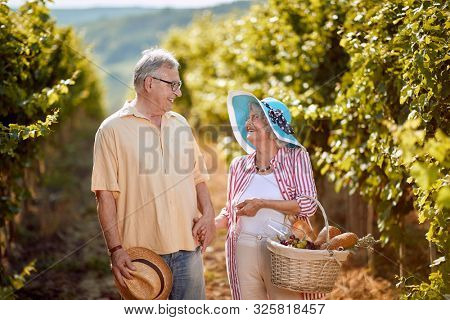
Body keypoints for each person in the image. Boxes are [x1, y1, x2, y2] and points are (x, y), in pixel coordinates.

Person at [91, 48, 215, 300]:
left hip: (188, 248)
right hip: (142, 258)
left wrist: (209, 213)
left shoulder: (179, 123)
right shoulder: (111, 130)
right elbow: (105, 197)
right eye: (173, 85)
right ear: (150, 83)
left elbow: (197, 177)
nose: (178, 92)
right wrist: (115, 250)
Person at [215, 91, 324, 300]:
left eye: (255, 117)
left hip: (282, 249)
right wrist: (211, 224)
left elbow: (308, 205)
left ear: (271, 127)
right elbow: (230, 211)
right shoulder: (239, 165)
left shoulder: (296, 158)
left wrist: (263, 203)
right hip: (243, 249)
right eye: (248, 117)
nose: (248, 122)